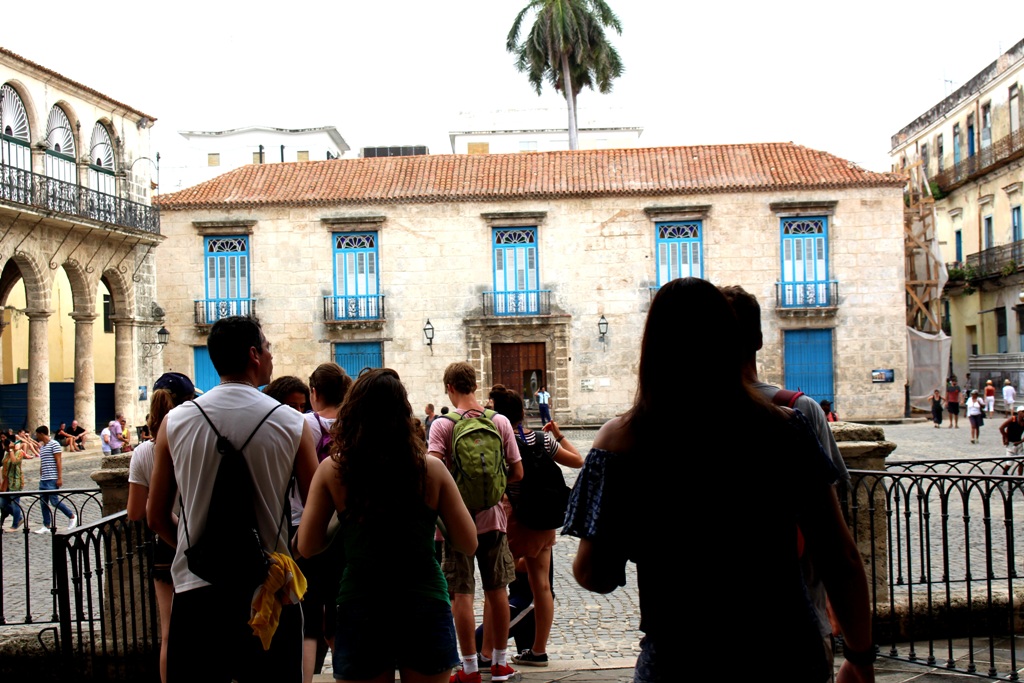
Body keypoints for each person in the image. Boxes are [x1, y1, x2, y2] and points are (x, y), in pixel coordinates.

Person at [564, 277, 875, 683]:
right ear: (732, 340)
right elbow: (840, 555)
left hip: (682, 658)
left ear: (654, 348)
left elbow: (595, 574)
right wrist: (859, 656)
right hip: (785, 652)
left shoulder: (621, 441)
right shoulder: (786, 429)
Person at [148, 316, 319, 683]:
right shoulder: (291, 422)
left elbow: (156, 515)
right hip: (269, 592)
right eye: (268, 347)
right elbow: (314, 511)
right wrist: (294, 550)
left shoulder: (175, 422)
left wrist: (194, 546)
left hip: (197, 588)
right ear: (254, 354)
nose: (272, 355)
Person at [298, 368, 478, 683]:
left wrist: (343, 517)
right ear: (403, 411)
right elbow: (467, 542)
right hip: (424, 601)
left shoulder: (333, 470)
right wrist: (432, 512)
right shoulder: (430, 469)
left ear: (352, 412)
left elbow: (308, 545)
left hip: (362, 603)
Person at [719, 284, 852, 660]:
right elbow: (833, 538)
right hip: (794, 621)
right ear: (759, 340)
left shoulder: (677, 419)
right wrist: (858, 650)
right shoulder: (800, 412)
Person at [428, 361, 523, 683]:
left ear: (450, 388)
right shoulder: (500, 422)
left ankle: (468, 668)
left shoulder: (442, 426)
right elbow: (518, 472)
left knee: (462, 595)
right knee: (498, 591)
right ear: (475, 385)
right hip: (494, 519)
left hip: (456, 526)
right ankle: (499, 663)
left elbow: (433, 473)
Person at [487, 385, 583, 668]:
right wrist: (558, 435)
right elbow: (578, 461)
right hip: (543, 520)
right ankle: (538, 650)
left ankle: (490, 652)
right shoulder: (541, 440)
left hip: (514, 522)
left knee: (496, 586)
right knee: (541, 585)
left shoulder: (500, 444)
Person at [128, 372, 197, 683]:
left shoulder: (143, 452)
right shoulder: (197, 444)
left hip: (164, 545)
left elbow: (134, 512)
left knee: (169, 633)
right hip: (197, 539)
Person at [291, 362, 351, 683]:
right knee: (342, 608)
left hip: (310, 527)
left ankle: (307, 678)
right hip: (344, 527)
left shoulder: (305, 424)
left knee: (309, 614)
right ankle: (345, 672)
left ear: (314, 393)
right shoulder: (355, 424)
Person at [32, 426, 77, 534]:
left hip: (52, 478)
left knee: (54, 502)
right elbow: (43, 462)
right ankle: (46, 525)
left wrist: (59, 477)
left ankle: (71, 516)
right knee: (43, 503)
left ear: (41, 434)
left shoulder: (55, 444)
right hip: (44, 479)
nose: (36, 436)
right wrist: (41, 473)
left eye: (37, 434)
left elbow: (58, 461)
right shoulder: (42, 447)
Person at [1, 439, 25, 532]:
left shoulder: (19, 453)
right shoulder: (7, 453)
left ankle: (15, 525)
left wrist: (11, 450)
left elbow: (14, 462)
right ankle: (19, 518)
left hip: (15, 482)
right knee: (2, 503)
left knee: (15, 503)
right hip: (6, 482)